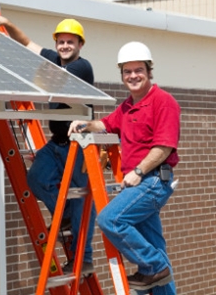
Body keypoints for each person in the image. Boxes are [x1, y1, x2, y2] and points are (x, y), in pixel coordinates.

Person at [0, 15, 96, 274]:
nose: (65, 46)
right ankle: (64, 212)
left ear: (80, 45)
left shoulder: (82, 67)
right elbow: (27, 43)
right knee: (36, 178)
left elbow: (53, 80)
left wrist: (12, 67)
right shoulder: (54, 59)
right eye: (61, 41)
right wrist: (6, 23)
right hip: (57, 143)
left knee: (82, 201)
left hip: (79, 146)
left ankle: (85, 259)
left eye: (70, 42)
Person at [68, 41, 180, 294]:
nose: (133, 76)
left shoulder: (164, 102)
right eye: (127, 72)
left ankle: (154, 265)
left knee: (110, 218)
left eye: (138, 70)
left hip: (151, 182)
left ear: (149, 71)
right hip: (140, 184)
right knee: (154, 247)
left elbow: (163, 148)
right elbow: (107, 124)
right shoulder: (128, 106)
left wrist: (138, 171)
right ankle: (156, 269)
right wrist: (85, 123)